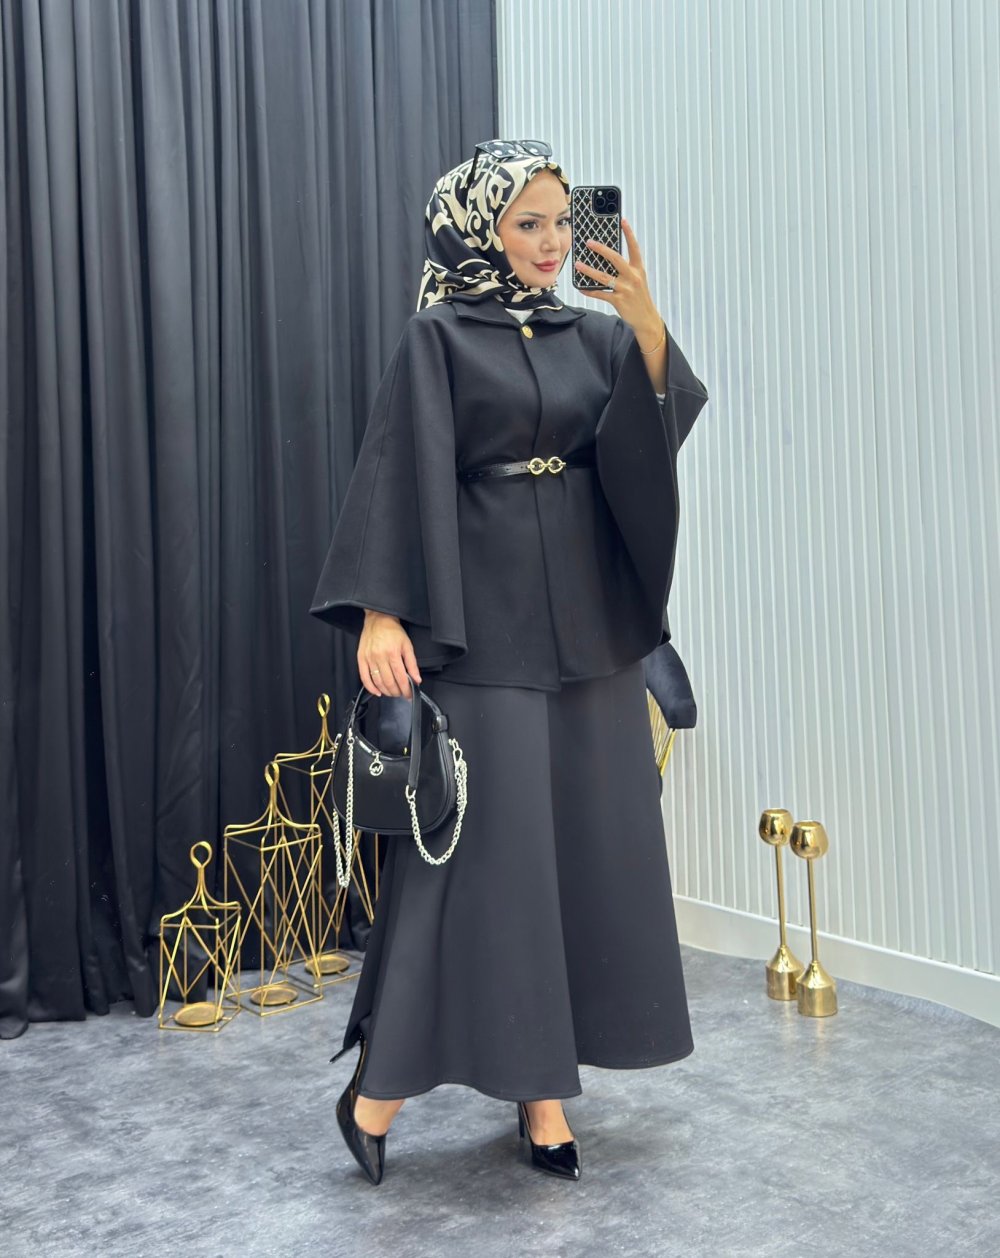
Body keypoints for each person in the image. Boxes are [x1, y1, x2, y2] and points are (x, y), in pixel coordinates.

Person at [310, 139, 709, 1185]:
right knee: (480, 857)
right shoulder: (437, 338)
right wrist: (381, 613)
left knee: (581, 850)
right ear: (478, 229)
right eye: (527, 223)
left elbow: (645, 450)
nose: (549, 243)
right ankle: (379, 1088)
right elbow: (397, 468)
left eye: (560, 222)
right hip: (480, 623)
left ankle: (543, 1093)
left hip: (591, 623)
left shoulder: (597, 336)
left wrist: (646, 324)